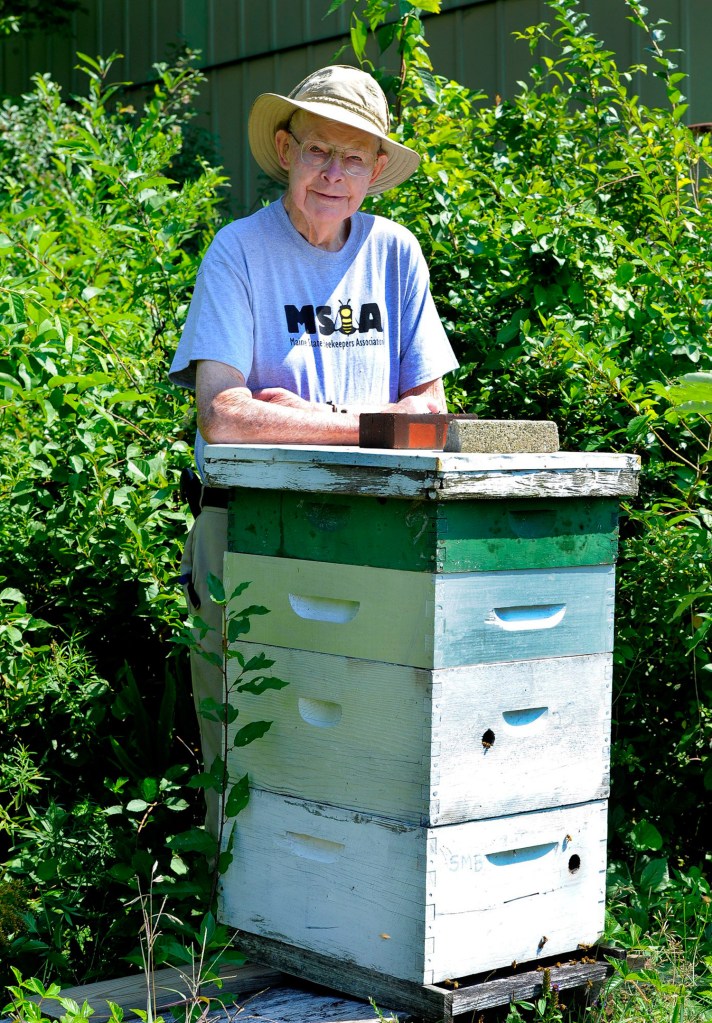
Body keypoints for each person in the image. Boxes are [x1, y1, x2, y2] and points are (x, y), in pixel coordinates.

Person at [169, 64, 458, 836]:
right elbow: (225, 415)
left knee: (355, 748)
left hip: (372, 537)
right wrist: (375, 420)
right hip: (250, 531)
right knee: (245, 746)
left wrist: (316, 414)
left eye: (354, 157)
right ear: (285, 149)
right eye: (319, 151)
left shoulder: (395, 253)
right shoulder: (238, 252)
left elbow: (431, 415)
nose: (335, 173)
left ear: (375, 170)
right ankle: (228, 936)